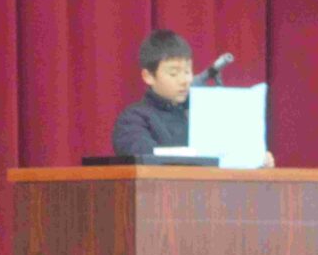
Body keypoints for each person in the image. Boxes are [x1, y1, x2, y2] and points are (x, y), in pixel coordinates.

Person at [111, 29, 275, 166]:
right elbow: (147, 162)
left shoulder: (205, 112)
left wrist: (253, 158)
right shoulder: (133, 120)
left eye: (187, 71)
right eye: (173, 73)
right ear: (148, 76)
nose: (185, 80)